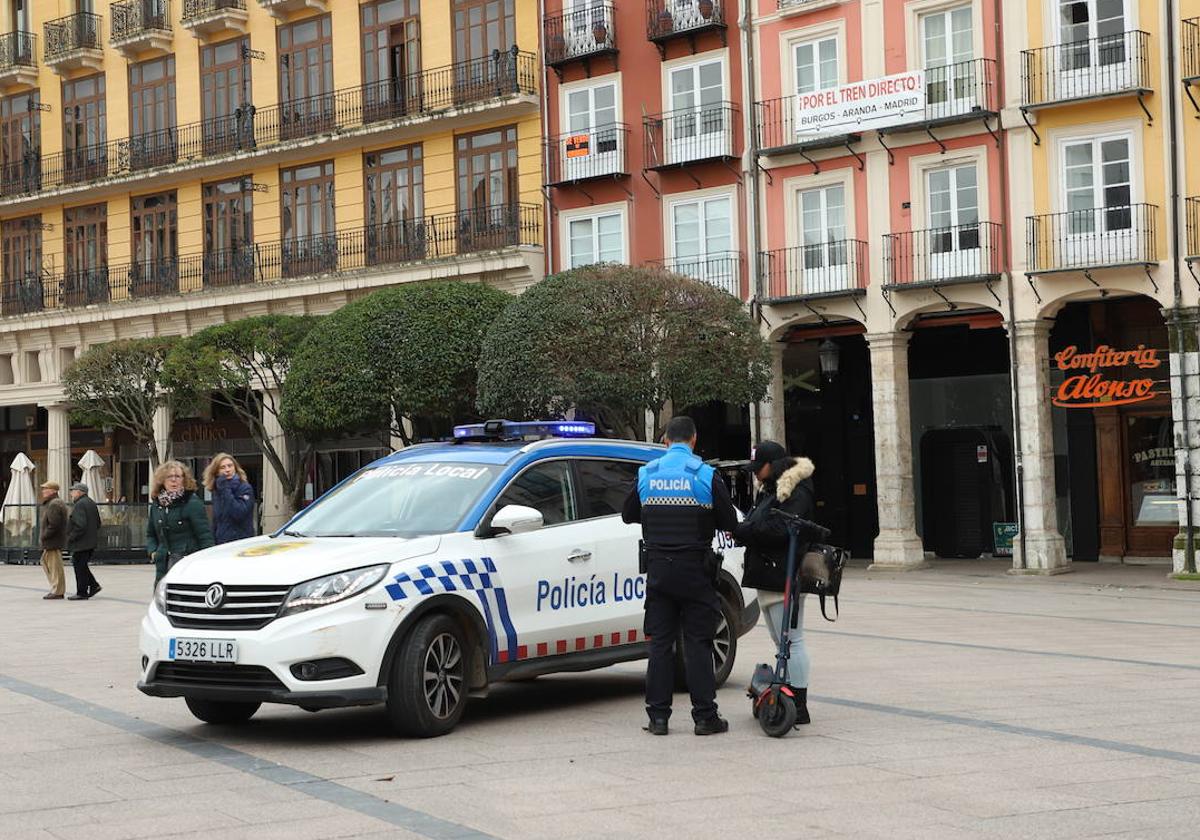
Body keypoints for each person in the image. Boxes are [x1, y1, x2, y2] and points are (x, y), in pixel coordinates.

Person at [622, 416, 739, 736]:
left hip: (659, 570)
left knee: (660, 644)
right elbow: (729, 519)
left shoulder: (647, 474)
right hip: (695, 571)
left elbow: (628, 514)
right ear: (694, 441)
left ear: (665, 442)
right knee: (698, 643)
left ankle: (658, 718)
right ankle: (704, 717)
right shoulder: (705, 475)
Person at [734, 440, 817, 725]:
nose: (756, 473)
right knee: (780, 641)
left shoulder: (797, 487)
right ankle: (788, 695)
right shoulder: (770, 489)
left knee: (792, 640)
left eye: (760, 467)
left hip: (785, 573)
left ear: (774, 465)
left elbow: (781, 527)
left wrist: (747, 530)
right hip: (769, 573)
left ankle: (799, 703)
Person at [147, 461, 215, 584]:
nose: (174, 480)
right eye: (169, 477)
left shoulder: (192, 503)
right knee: (161, 600)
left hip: (186, 562)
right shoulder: (157, 505)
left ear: (184, 479)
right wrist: (153, 552)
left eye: (178, 476)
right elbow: (150, 534)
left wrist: (207, 560)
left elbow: (204, 535)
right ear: (162, 480)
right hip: (163, 564)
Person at [203, 453, 256, 544]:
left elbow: (238, 513)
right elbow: (216, 520)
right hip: (222, 542)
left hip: (241, 541)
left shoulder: (245, 488)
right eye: (222, 467)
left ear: (235, 468)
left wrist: (225, 490)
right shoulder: (217, 491)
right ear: (216, 471)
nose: (227, 470)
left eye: (230, 466)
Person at [66, 482, 102, 600]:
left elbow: (80, 525)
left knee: (79, 566)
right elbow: (98, 523)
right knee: (82, 565)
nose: (71, 493)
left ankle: (82, 592)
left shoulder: (80, 504)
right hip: (90, 541)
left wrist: (71, 537)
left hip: (81, 542)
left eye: (73, 491)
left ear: (80, 492)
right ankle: (93, 585)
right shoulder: (91, 503)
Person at [38, 481, 69, 600]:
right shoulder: (54, 503)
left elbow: (54, 524)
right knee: (48, 563)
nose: (43, 491)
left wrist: (44, 536)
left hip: (52, 541)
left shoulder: (54, 504)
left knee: (55, 567)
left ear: (53, 491)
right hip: (53, 541)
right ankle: (56, 588)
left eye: (46, 489)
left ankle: (57, 590)